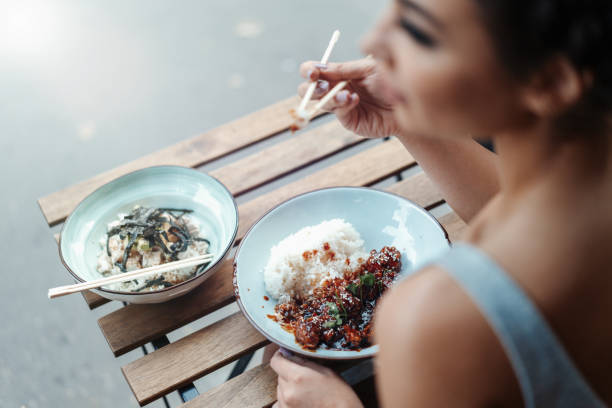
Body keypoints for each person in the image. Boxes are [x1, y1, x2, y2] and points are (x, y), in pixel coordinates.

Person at [269, 0, 612, 406]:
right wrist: (412, 120)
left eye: (418, 31)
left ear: (549, 81)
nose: (371, 41)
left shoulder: (435, 323)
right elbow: (525, 212)